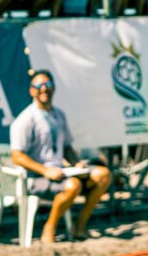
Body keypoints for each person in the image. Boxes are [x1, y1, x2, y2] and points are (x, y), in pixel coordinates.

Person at [10, 70, 113, 244]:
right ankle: (50, 228)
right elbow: (17, 156)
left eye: (47, 85)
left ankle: (80, 225)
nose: (44, 89)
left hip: (62, 172)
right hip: (36, 178)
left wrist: (76, 163)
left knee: (103, 175)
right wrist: (45, 171)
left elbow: (66, 147)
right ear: (31, 91)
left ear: (54, 88)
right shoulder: (26, 119)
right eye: (39, 86)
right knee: (73, 186)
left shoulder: (58, 114)